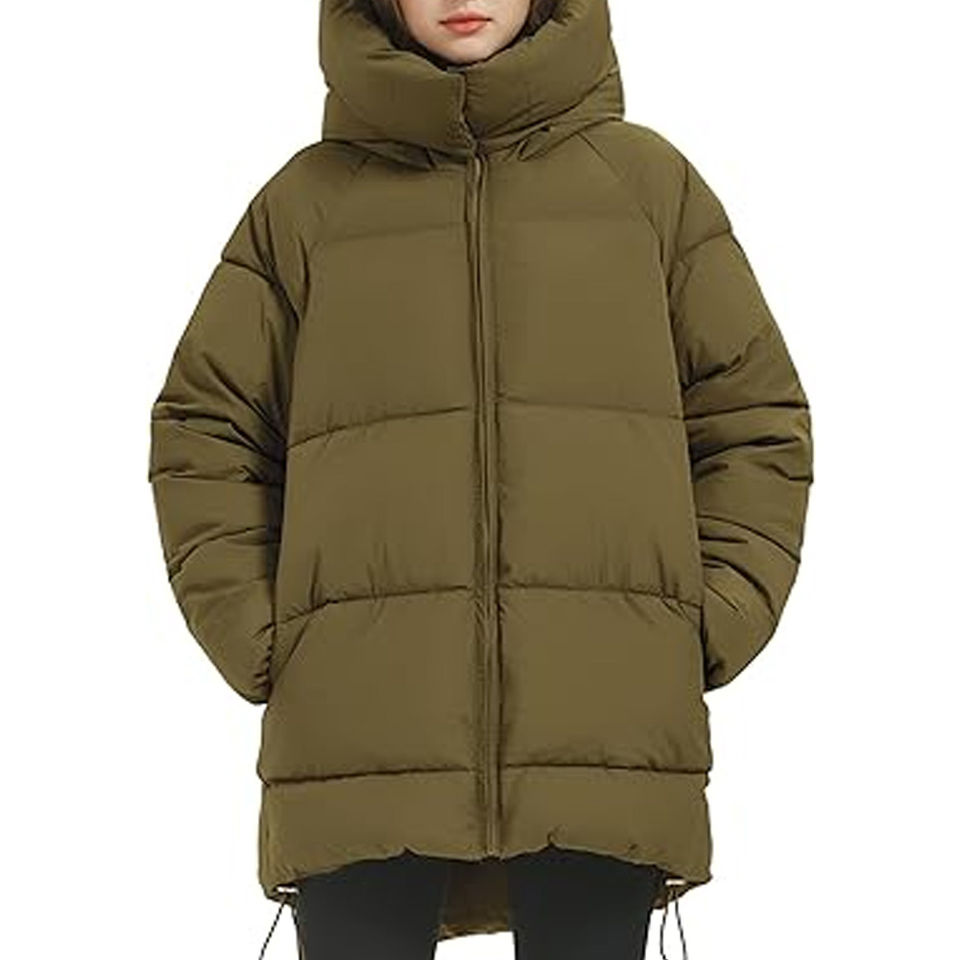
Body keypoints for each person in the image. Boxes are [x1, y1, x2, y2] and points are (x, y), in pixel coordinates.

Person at [147, 1, 814, 958]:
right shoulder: (306, 207)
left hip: (609, 721)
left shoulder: (647, 190)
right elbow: (206, 427)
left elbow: (753, 417)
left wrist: (706, 621)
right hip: (356, 729)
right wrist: (266, 638)